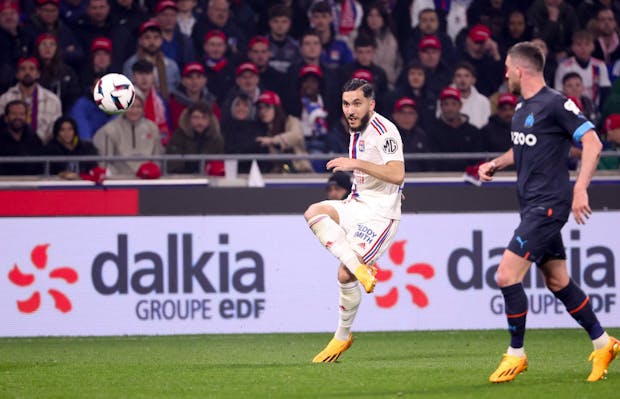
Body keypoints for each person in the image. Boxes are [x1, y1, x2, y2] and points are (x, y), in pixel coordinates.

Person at [478, 41, 618, 383]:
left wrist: (581, 188)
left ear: (520, 70)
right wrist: (496, 163)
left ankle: (516, 354)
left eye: (508, 68)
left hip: (549, 205)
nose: (505, 73)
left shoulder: (557, 103)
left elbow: (593, 141)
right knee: (557, 280)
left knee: (505, 275)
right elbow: (523, 147)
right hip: (532, 205)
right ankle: (604, 343)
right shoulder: (523, 107)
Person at [304, 78, 404, 363]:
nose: (350, 109)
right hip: (357, 201)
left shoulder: (385, 131)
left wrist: (356, 164)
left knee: (344, 275)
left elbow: (398, 174)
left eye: (357, 103)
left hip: (381, 214)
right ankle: (359, 267)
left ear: (371, 104)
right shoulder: (355, 128)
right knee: (314, 212)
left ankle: (342, 337)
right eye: (346, 103)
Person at [93, 93, 163, 176]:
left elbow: (158, 159)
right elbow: (105, 163)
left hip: (147, 180)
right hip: (119, 181)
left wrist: (151, 173)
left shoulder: (152, 128)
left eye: (138, 107)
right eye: (131, 107)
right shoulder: (110, 130)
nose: (135, 111)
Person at [0, 57, 62, 143]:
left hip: (44, 150)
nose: (27, 72)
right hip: (11, 149)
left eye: (32, 69)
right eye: (23, 69)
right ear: (17, 74)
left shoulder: (53, 100)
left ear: (38, 74)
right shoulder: (4, 99)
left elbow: (56, 129)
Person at [255, 90, 313, 174]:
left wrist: (273, 141)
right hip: (277, 174)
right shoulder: (261, 129)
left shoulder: (291, 121)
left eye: (267, 106)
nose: (262, 111)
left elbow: (297, 136)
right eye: (260, 108)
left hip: (301, 172)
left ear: (276, 108)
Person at [166, 100, 224, 174]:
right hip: (184, 180)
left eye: (204, 118)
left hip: (210, 179)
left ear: (210, 120)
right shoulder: (178, 136)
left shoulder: (216, 138)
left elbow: (219, 165)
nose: (200, 122)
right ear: (189, 119)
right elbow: (173, 166)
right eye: (195, 117)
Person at [0, 100, 44, 175]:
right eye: (14, 114)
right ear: (6, 117)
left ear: (26, 117)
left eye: (21, 114)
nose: (18, 117)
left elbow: (41, 164)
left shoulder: (34, 138)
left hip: (30, 182)